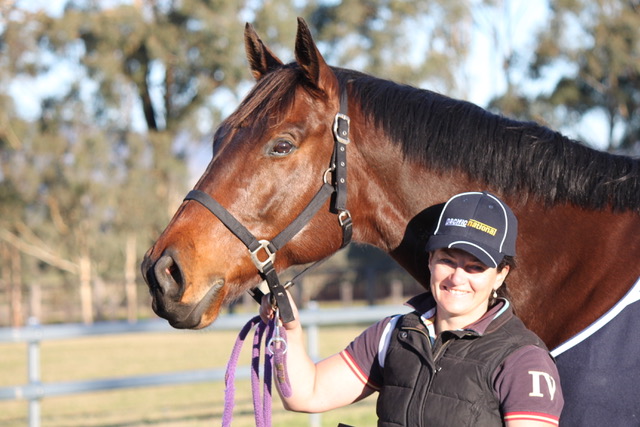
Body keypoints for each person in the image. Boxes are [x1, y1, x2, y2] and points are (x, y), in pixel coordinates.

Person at [260, 191, 564, 426]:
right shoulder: (394, 333)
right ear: (430, 260)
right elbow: (307, 393)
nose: (457, 278)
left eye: (475, 267)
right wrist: (289, 330)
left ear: (500, 274)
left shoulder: (523, 361)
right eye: (447, 260)